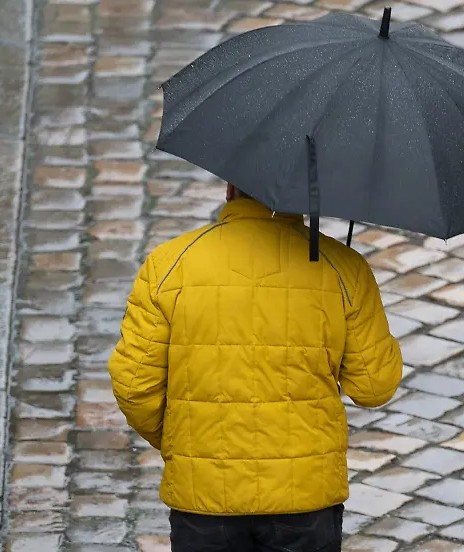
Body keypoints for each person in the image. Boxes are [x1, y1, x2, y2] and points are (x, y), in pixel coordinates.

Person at [108, 184, 404, 552]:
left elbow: (133, 383)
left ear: (231, 189)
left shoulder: (169, 264)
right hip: (306, 500)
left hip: (204, 498)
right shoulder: (342, 268)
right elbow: (375, 387)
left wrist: (183, 442)